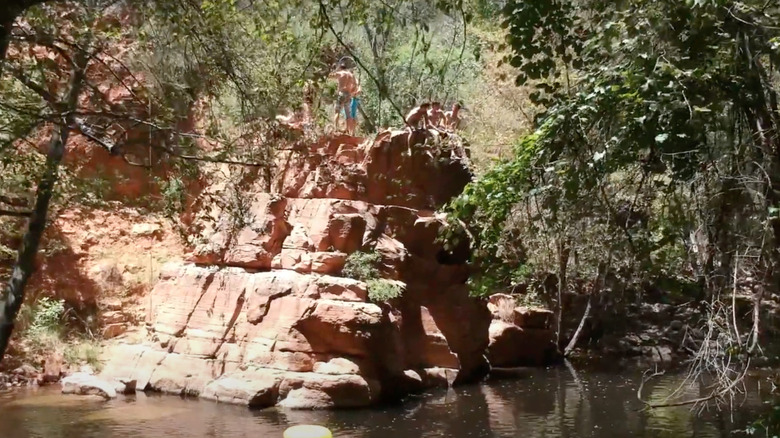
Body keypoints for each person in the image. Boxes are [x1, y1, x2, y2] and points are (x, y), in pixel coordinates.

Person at [328, 63, 359, 133]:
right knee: (348, 113)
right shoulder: (351, 75)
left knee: (337, 111)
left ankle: (335, 128)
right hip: (348, 94)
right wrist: (351, 92)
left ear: (340, 68)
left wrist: (333, 70)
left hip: (341, 93)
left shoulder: (340, 73)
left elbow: (330, 76)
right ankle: (348, 130)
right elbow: (355, 85)